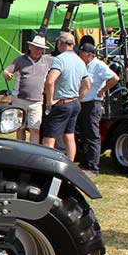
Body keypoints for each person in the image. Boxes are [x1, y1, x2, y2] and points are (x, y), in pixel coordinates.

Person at [42, 32, 91, 161]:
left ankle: (48, 166)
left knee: (49, 138)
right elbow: (87, 85)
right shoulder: (80, 61)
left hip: (61, 103)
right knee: (69, 136)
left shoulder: (59, 59)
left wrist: (49, 102)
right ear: (73, 44)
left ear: (60, 43)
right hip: (74, 103)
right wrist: (78, 99)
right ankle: (70, 165)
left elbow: (50, 81)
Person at [76, 43, 121, 175]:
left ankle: (93, 167)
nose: (80, 55)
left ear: (90, 54)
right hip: (83, 103)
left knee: (92, 135)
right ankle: (84, 162)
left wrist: (103, 90)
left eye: (82, 53)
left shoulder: (99, 65)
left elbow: (115, 78)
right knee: (83, 134)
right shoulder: (84, 65)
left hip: (93, 103)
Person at [3, 35, 52, 143]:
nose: (38, 50)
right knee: (20, 127)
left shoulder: (47, 60)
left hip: (37, 101)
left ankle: (32, 151)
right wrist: (8, 75)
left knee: (35, 128)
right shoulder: (20, 60)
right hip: (19, 99)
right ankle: (21, 149)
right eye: (35, 47)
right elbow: (6, 71)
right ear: (30, 47)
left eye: (40, 48)